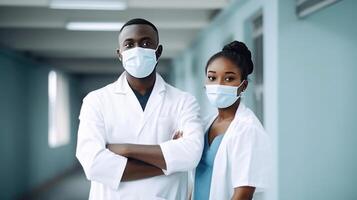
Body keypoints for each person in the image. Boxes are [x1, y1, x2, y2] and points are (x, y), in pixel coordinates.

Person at [76, 18, 204, 200]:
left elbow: (191, 154)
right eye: (129, 45)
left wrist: (126, 149)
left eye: (145, 43)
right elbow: (94, 164)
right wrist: (168, 163)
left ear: (158, 52)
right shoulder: (96, 101)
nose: (137, 49)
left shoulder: (183, 101)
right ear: (120, 54)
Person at [190, 41, 271, 200]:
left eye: (228, 79)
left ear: (243, 85)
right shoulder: (206, 124)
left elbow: (243, 193)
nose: (218, 85)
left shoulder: (248, 129)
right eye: (212, 77)